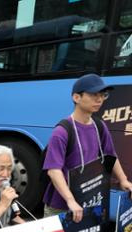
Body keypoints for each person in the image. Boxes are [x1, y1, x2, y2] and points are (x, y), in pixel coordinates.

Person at [43, 73, 132, 223]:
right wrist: (70, 200)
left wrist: (124, 180)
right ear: (76, 98)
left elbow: (110, 155)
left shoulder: (99, 126)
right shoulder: (62, 131)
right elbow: (53, 170)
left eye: (103, 95)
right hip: (61, 205)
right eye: (93, 95)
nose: (99, 99)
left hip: (88, 201)